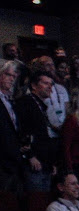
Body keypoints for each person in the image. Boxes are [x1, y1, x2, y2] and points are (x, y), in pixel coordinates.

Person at [15, 70, 56, 192]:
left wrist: (50, 162)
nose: (50, 87)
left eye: (51, 84)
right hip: (33, 163)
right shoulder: (25, 103)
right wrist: (30, 156)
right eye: (45, 83)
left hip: (45, 162)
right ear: (33, 85)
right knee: (36, 201)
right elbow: (22, 131)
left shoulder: (41, 106)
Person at [0, 60, 25, 192]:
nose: (12, 79)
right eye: (9, 75)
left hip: (14, 160)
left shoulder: (10, 100)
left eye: (14, 77)